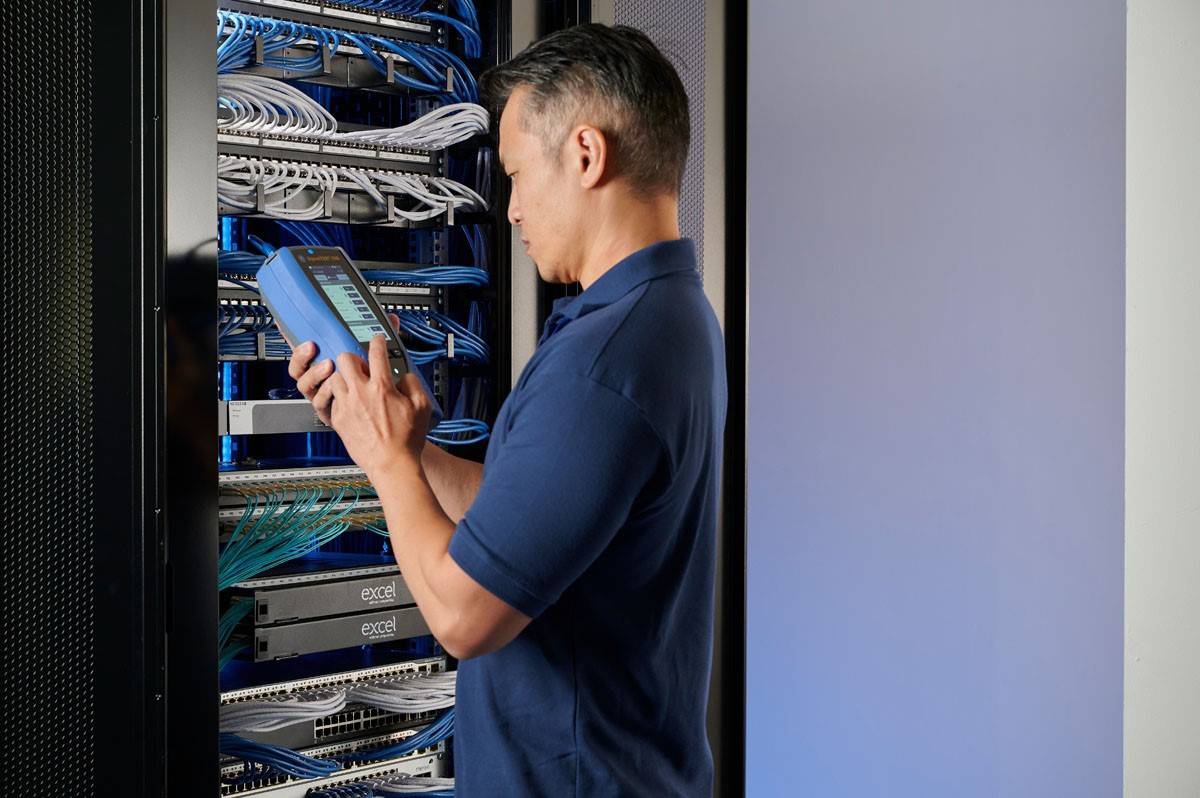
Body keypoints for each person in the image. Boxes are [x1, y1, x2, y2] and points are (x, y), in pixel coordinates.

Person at [288, 23, 726, 796]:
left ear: (586, 155)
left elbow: (464, 618)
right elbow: (536, 518)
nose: (512, 210)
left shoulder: (603, 363)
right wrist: (408, 443)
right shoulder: (671, 317)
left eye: (518, 175)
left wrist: (387, 465)